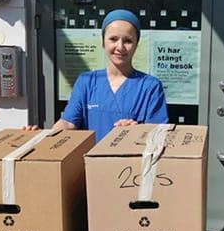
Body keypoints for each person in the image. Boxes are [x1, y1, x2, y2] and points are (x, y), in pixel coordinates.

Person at [32, 9, 168, 141]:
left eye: (127, 41)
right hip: (89, 161)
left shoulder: (150, 86)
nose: (120, 47)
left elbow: (157, 134)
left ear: (136, 45)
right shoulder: (87, 81)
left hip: (130, 163)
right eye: (113, 39)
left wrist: (136, 131)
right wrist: (41, 138)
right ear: (103, 42)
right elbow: (68, 123)